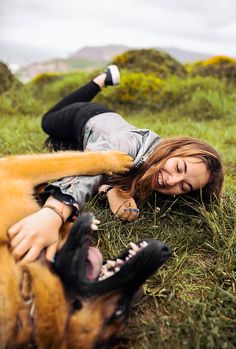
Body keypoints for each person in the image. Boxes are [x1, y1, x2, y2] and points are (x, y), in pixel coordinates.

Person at [8, 65, 224, 263]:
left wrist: (110, 189)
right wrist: (54, 213)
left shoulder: (162, 178)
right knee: (48, 121)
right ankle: (101, 80)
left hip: (91, 139)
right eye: (179, 167)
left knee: (56, 145)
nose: (172, 180)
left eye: (184, 186)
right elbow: (92, 167)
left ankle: (98, 173)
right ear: (174, 149)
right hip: (88, 117)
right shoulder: (127, 144)